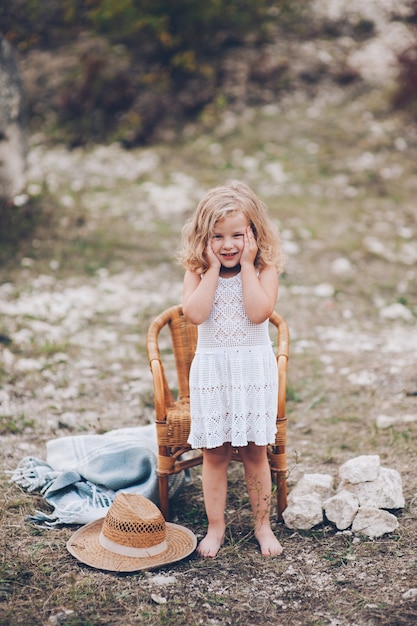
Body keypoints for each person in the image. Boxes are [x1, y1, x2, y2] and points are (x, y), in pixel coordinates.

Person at [178, 180, 286, 558]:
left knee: (256, 452)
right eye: (217, 236)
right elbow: (193, 314)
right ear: (203, 238)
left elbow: (259, 313)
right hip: (213, 373)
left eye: (237, 235)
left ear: (253, 234)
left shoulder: (263, 270)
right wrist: (209, 271)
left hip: (252, 372)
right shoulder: (196, 271)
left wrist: (245, 266)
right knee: (215, 453)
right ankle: (216, 527)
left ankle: (262, 525)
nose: (227, 244)